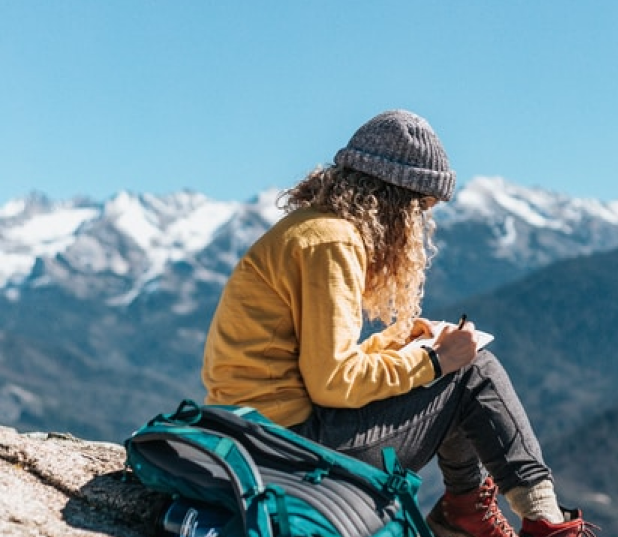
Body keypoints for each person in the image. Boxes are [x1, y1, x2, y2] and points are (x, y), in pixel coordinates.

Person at [201, 109, 598, 537]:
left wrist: (396, 342)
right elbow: (332, 382)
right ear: (395, 202)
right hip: (287, 450)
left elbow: (312, 364)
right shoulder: (333, 242)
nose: (420, 225)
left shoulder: (309, 231)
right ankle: (542, 522)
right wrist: (435, 363)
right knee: (472, 372)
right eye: (421, 210)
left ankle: (469, 514)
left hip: (255, 435)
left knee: (458, 372)